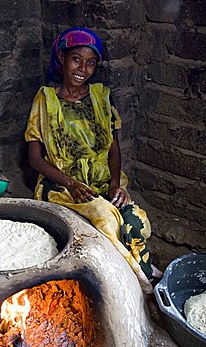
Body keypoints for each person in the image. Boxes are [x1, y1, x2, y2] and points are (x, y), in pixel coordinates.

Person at [25, 27, 162, 294]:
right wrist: (71, 184)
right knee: (104, 219)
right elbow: (35, 159)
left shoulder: (101, 97)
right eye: (76, 59)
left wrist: (114, 184)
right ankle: (142, 280)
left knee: (135, 221)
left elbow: (113, 148)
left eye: (91, 63)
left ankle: (141, 263)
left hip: (100, 179)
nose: (82, 69)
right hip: (63, 183)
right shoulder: (46, 100)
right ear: (62, 58)